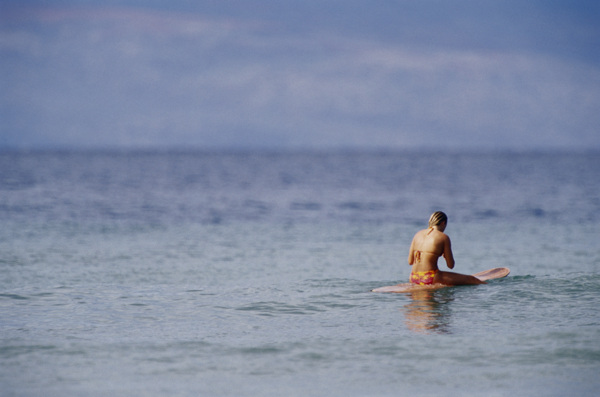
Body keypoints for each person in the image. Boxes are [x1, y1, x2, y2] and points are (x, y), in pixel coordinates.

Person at [407, 211, 485, 286]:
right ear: (443, 223)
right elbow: (450, 265)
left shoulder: (417, 234)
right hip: (430, 277)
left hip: (413, 277)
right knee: (472, 280)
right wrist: (444, 255)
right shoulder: (443, 237)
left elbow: (410, 262)